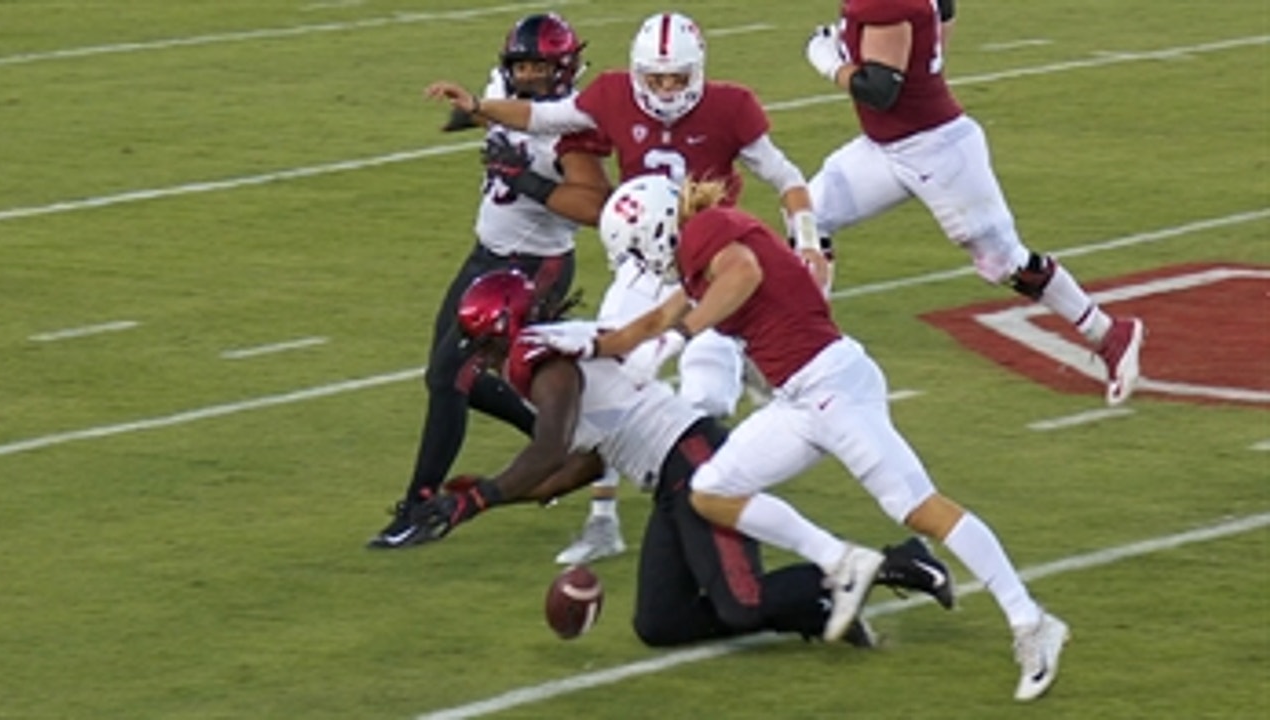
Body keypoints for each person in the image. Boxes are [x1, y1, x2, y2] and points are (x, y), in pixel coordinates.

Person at [524, 174, 1070, 702]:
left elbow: (744, 275)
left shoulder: (706, 232)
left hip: (833, 387)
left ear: (660, 229)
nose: (648, 266)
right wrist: (567, 345)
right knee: (712, 489)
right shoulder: (696, 252)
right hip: (799, 399)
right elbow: (641, 326)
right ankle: (841, 561)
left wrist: (678, 339)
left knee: (919, 507)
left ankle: (1032, 622)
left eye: (644, 252)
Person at [428, 11, 833, 564]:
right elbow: (543, 117)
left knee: (706, 397)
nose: (666, 91)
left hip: (708, 265)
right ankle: (603, 519)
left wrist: (809, 240)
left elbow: (786, 178)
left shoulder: (732, 107)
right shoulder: (615, 92)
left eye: (677, 79)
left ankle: (724, 496)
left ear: (698, 71)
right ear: (640, 73)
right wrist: (479, 108)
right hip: (642, 262)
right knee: (609, 383)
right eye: (656, 79)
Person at [401, 268, 955, 648]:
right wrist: (488, 498)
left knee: (742, 601)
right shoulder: (548, 354)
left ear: (505, 332)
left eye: (487, 347)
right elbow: (577, 466)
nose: (487, 360)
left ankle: (896, 562)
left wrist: (477, 500)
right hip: (668, 474)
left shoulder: (545, 362)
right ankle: (815, 607)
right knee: (661, 622)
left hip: (691, 461)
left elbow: (548, 450)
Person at [802, 0, 1144, 406]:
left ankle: (1109, 334)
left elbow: (881, 91)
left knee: (1005, 262)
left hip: (937, 150)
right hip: (887, 148)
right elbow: (943, 11)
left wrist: (829, 61)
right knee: (810, 216)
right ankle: (811, 348)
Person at [367, 12, 610, 549]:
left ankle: (421, 504)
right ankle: (559, 447)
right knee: (447, 375)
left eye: (540, 68)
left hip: (536, 264)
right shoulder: (501, 89)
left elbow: (597, 207)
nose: (528, 78)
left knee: (451, 377)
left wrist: (521, 179)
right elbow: (495, 118)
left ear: (566, 69)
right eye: (521, 66)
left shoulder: (574, 125)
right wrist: (468, 115)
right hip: (488, 253)